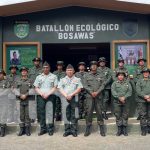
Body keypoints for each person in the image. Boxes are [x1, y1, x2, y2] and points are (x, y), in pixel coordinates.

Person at [58, 64, 83, 137]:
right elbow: (60, 88)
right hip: (65, 98)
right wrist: (66, 95)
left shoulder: (77, 79)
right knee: (66, 115)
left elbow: (79, 88)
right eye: (68, 70)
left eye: (71, 70)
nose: (69, 71)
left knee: (74, 115)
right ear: (65, 71)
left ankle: (73, 130)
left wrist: (71, 95)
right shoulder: (62, 80)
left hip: (74, 98)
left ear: (74, 71)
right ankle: (67, 130)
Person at [34, 61, 58, 136]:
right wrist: (41, 93)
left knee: (50, 113)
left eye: (47, 67)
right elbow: (36, 87)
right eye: (44, 68)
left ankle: (50, 129)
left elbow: (55, 87)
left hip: (50, 96)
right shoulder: (38, 77)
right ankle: (43, 129)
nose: (46, 69)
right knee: (41, 113)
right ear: (42, 68)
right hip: (41, 96)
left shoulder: (54, 76)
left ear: (49, 68)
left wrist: (48, 94)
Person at [83, 61, 106, 137]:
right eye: (92, 65)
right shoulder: (86, 75)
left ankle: (101, 128)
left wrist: (97, 92)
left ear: (97, 66)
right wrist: (91, 92)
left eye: (95, 65)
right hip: (89, 97)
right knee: (89, 112)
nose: (94, 66)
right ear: (90, 67)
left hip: (98, 96)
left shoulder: (101, 75)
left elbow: (103, 85)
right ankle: (88, 128)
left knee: (99, 112)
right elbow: (85, 85)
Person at [111, 71, 132, 136]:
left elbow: (130, 92)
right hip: (117, 102)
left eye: (122, 75)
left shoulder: (128, 83)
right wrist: (119, 98)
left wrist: (124, 98)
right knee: (118, 115)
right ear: (117, 76)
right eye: (119, 75)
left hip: (126, 101)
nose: (120, 76)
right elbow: (113, 91)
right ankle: (119, 130)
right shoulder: (114, 83)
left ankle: (125, 129)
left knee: (125, 115)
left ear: (124, 76)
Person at [15, 67, 33, 136]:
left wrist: (25, 95)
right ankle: (22, 129)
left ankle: (27, 129)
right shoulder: (17, 80)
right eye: (22, 71)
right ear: (21, 72)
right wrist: (20, 95)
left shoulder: (30, 80)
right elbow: (14, 89)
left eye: (25, 71)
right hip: (19, 100)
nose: (24, 72)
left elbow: (33, 89)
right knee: (21, 115)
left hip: (28, 99)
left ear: (27, 72)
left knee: (28, 114)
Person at [136, 68, 150, 136]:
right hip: (141, 100)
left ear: (149, 73)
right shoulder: (139, 81)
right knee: (143, 115)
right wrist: (145, 96)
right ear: (142, 73)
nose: (146, 73)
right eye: (144, 72)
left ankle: (149, 128)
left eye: (147, 72)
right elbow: (138, 91)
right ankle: (143, 129)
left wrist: (149, 96)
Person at [28, 57, 43, 123]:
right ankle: (32, 118)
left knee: (40, 104)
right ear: (33, 62)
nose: (36, 62)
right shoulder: (30, 70)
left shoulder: (42, 70)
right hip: (32, 89)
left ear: (39, 62)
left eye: (38, 61)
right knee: (32, 104)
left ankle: (39, 118)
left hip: (40, 89)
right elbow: (28, 79)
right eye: (35, 61)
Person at [0, 69, 10, 137]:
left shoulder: (6, 82)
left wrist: (1, 94)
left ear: (3, 75)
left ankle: (3, 129)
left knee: (3, 114)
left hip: (4, 100)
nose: (0, 75)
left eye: (1, 74)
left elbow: (8, 90)